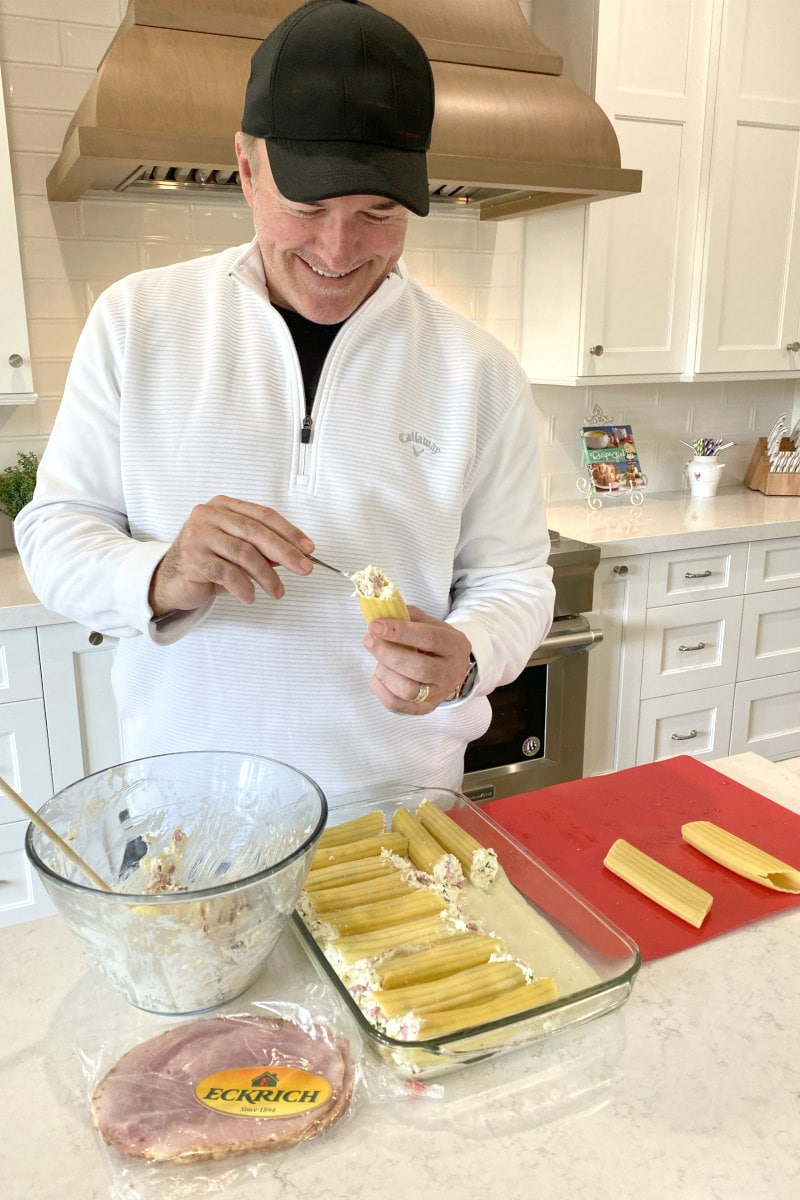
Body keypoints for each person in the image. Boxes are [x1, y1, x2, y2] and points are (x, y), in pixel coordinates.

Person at [15, 0, 555, 804]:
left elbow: (515, 579)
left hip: (397, 818)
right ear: (245, 166)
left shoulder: (478, 370)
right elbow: (54, 533)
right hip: (190, 821)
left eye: (377, 215)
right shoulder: (136, 323)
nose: (338, 254)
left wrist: (469, 653)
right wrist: (160, 572)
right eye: (307, 210)